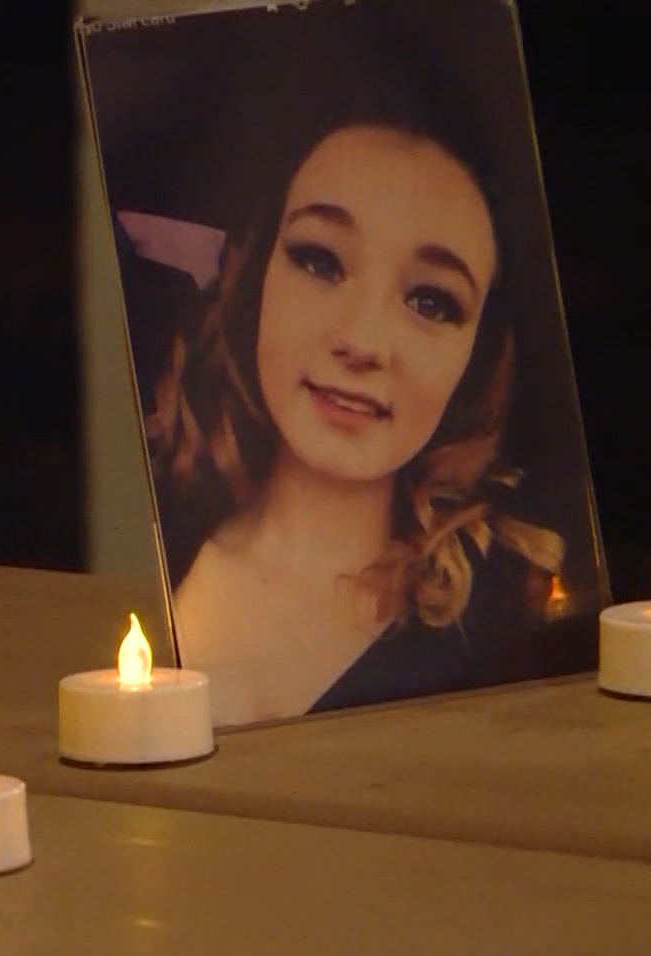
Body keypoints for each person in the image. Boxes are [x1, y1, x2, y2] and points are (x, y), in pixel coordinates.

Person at [143, 89, 565, 727]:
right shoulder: (144, 568)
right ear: (256, 280)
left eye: (431, 303)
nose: (362, 342)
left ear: (475, 363)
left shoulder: (518, 611)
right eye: (319, 261)